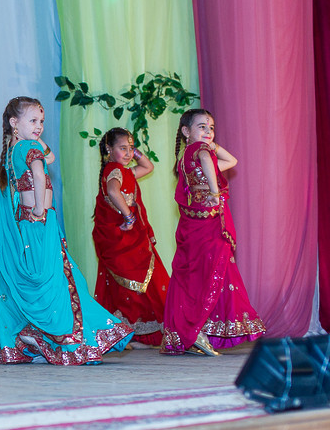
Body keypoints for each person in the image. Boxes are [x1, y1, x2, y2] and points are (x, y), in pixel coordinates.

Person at [0, 97, 132, 365]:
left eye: (41, 121)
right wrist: (41, 209)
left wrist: (34, 137)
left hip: (27, 226)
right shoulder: (27, 146)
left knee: (40, 280)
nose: (39, 126)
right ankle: (56, 337)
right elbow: (40, 175)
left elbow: (48, 156)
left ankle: (31, 334)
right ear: (14, 122)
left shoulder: (14, 149)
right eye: (33, 121)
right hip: (39, 223)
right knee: (57, 281)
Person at [161, 109, 265, 355]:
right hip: (208, 221)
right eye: (201, 127)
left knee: (195, 274)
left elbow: (231, 162)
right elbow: (210, 163)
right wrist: (216, 193)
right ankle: (195, 330)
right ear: (186, 131)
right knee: (212, 271)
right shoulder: (200, 152)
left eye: (211, 128)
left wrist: (212, 144)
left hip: (192, 222)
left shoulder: (187, 155)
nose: (207, 132)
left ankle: (191, 330)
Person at [91, 127, 169, 346]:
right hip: (123, 236)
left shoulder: (125, 170)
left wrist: (135, 152)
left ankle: (132, 330)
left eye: (130, 148)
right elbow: (114, 191)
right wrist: (129, 216)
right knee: (134, 280)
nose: (127, 153)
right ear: (108, 149)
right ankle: (128, 329)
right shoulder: (114, 169)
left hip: (131, 237)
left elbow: (148, 167)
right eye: (122, 148)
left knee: (136, 281)